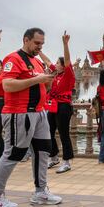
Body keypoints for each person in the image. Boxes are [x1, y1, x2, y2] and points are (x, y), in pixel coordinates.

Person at [0, 28, 62, 207]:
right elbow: (8, 85)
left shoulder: (36, 62)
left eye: (42, 43)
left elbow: (44, 84)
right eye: (37, 43)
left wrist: (48, 80)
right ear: (26, 40)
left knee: (44, 151)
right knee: (14, 154)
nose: (40, 46)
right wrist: (38, 80)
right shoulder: (13, 58)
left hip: (39, 113)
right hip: (20, 113)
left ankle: (40, 192)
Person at [39, 32, 75, 173]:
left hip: (64, 106)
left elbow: (67, 60)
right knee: (48, 131)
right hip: (53, 105)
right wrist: (39, 51)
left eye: (57, 63)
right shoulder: (56, 75)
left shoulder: (68, 74)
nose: (55, 64)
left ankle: (67, 161)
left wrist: (65, 44)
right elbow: (47, 61)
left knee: (64, 133)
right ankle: (54, 157)